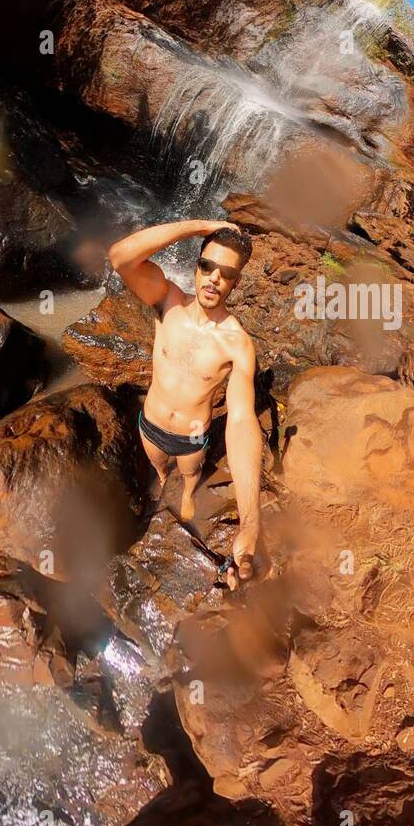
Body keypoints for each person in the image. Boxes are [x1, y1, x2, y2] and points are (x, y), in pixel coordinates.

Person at [107, 218, 264, 588]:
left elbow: (241, 422)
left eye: (225, 273)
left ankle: (189, 492)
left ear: (236, 282)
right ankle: (164, 485)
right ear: (196, 266)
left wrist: (251, 522)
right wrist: (200, 226)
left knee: (190, 477)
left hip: (191, 440)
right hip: (149, 425)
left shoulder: (237, 344)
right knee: (160, 472)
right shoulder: (167, 301)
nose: (213, 278)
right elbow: (120, 258)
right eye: (207, 266)